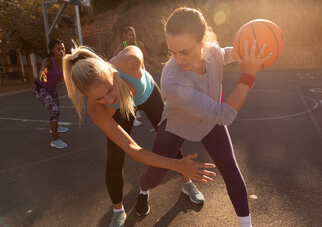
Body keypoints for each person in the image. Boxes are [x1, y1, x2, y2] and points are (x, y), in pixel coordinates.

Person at [135, 7, 271, 226]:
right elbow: (224, 115)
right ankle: (142, 190)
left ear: (202, 42)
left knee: (230, 169)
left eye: (185, 52)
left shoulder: (212, 50)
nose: (178, 59)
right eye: (172, 52)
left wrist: (242, 53)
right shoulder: (172, 80)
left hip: (208, 123)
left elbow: (223, 54)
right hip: (176, 126)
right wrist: (248, 74)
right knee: (155, 177)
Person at [62, 45, 216, 227]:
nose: (109, 99)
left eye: (109, 89)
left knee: (170, 139)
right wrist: (176, 165)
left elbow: (136, 51)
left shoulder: (129, 62)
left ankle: (187, 183)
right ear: (88, 97)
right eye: (98, 98)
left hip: (147, 94)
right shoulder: (97, 108)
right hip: (121, 110)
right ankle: (118, 211)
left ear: (112, 73)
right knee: (115, 158)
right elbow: (132, 149)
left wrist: (179, 165)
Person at [115, 26, 160, 127]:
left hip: (140, 72)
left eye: (134, 34)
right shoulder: (122, 46)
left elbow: (147, 57)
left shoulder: (139, 44)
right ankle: (132, 115)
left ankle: (137, 109)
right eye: (130, 35)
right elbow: (115, 58)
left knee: (142, 92)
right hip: (127, 74)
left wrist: (153, 62)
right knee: (130, 94)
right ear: (125, 36)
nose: (132, 37)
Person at [32, 38, 69, 149]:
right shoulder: (48, 61)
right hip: (40, 88)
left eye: (63, 48)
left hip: (51, 89)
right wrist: (42, 74)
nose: (61, 51)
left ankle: (54, 127)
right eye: (58, 49)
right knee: (54, 109)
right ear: (52, 50)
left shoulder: (65, 62)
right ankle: (55, 139)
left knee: (57, 109)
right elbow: (43, 69)